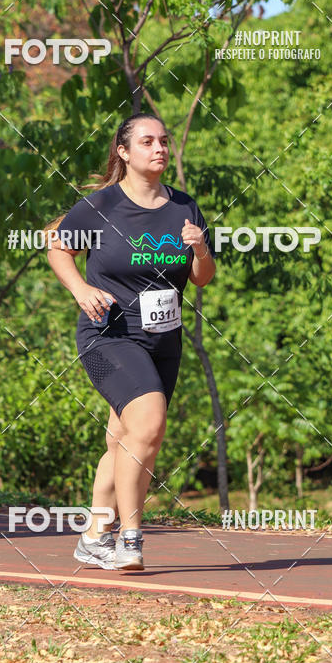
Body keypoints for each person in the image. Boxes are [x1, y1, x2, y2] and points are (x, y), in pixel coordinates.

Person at [47, 113, 216, 571]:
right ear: (124, 153)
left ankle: (93, 536)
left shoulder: (185, 207)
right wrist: (81, 290)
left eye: (163, 141)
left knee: (126, 438)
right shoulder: (101, 207)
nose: (159, 148)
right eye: (147, 142)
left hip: (164, 339)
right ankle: (130, 537)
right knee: (148, 423)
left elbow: (202, 279)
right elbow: (58, 246)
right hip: (108, 334)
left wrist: (200, 249)